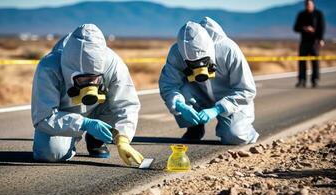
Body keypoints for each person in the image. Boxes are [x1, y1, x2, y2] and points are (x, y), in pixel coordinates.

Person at [31, 24, 144, 166]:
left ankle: (95, 138)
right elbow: (44, 117)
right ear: (70, 73)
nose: (89, 85)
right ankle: (71, 137)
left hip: (99, 109)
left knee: (116, 101)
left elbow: (127, 104)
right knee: (51, 153)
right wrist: (84, 123)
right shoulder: (49, 67)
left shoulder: (114, 65)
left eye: (94, 79)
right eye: (82, 79)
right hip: (63, 113)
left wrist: (123, 138)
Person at [159, 17, 259, 145]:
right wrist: (179, 105)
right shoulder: (176, 52)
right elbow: (168, 85)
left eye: (204, 62)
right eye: (192, 64)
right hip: (199, 94)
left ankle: (246, 130)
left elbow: (246, 90)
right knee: (180, 88)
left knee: (235, 137)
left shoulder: (229, 50)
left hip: (231, 100)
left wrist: (217, 109)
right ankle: (194, 126)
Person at [294, 0, 325, 88]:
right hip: (304, 42)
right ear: (305, 5)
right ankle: (302, 80)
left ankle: (315, 80)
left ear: (313, 4)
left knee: (315, 61)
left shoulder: (318, 14)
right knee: (301, 61)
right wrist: (304, 28)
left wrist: (321, 39)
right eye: (306, 4)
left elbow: (322, 27)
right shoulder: (301, 14)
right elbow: (295, 28)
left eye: (309, 4)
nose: (308, 5)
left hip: (314, 42)